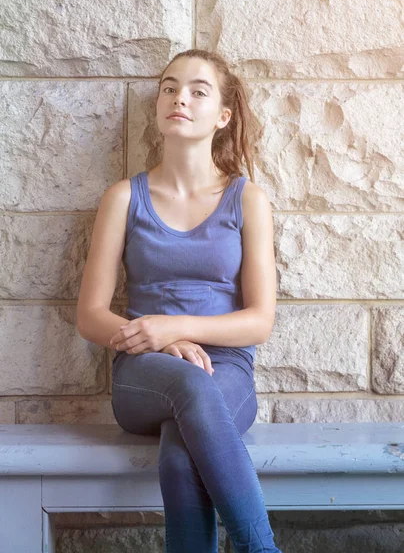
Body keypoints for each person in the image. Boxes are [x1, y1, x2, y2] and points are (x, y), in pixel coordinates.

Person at [77, 49, 281, 553]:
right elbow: (90, 315)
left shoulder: (247, 199)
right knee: (188, 388)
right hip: (142, 370)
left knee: (178, 456)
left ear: (223, 116)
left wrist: (173, 328)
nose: (179, 99)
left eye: (197, 91)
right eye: (169, 88)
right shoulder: (124, 197)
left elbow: (259, 322)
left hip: (227, 370)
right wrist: (155, 340)